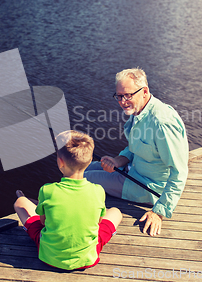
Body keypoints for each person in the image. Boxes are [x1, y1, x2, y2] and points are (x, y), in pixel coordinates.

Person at [84, 67, 188, 237]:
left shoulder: (162, 123)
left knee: (83, 178)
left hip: (147, 186)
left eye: (128, 95)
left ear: (144, 91)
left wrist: (159, 211)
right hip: (131, 170)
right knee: (84, 169)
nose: (123, 101)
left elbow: (179, 171)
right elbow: (134, 148)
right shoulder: (139, 110)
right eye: (119, 96)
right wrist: (118, 161)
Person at [13, 130, 122, 270]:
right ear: (89, 162)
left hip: (49, 256)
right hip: (88, 257)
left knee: (20, 202)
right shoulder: (98, 190)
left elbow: (43, 222)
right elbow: (98, 222)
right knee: (116, 212)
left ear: (60, 162)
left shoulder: (47, 190)